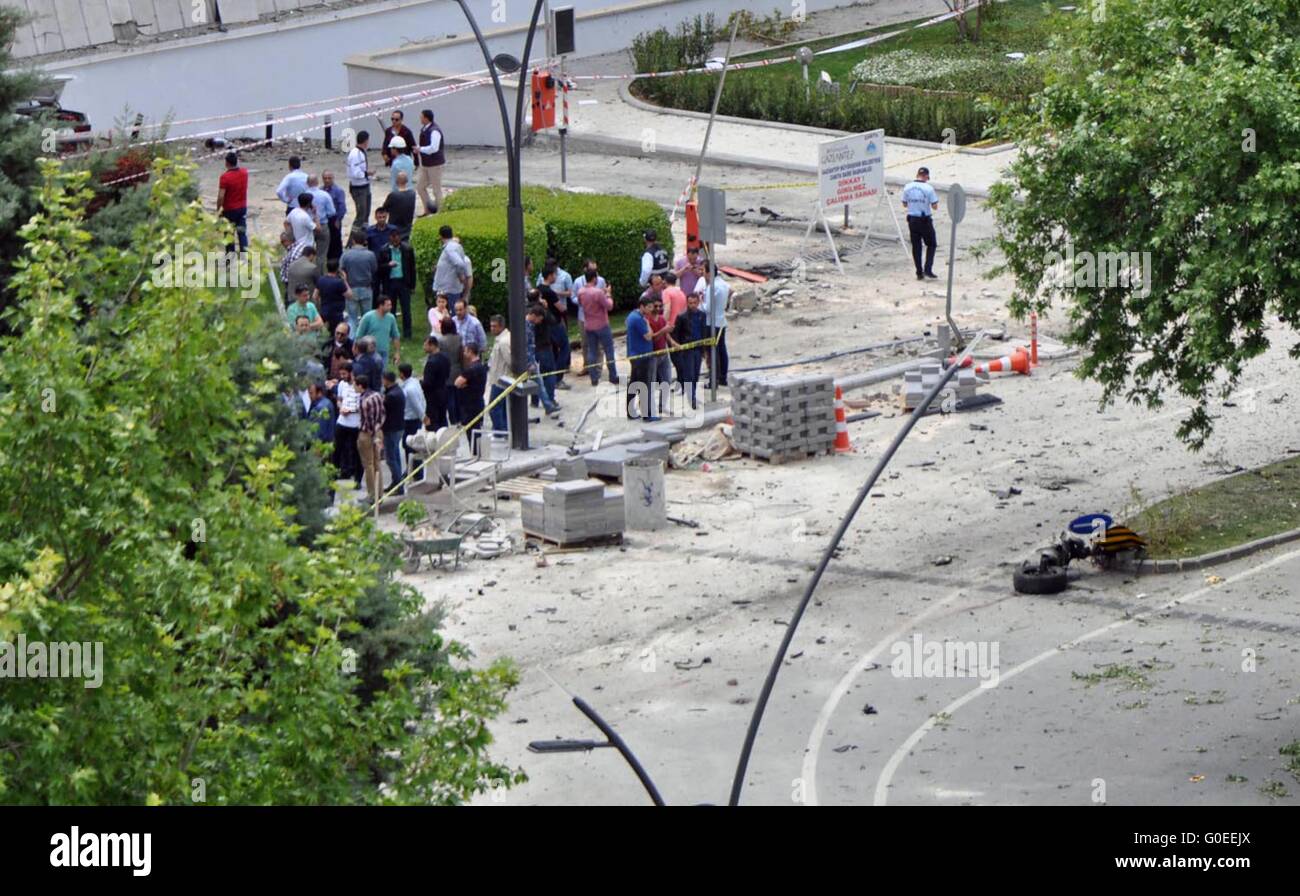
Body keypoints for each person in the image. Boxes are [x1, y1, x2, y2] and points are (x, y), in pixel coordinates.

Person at [577, 269, 617, 386]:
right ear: (594, 278)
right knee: (608, 349)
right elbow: (609, 306)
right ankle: (613, 375)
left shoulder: (581, 291)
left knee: (592, 351)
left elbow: (580, 303)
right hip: (602, 324)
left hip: (588, 324)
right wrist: (608, 294)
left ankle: (593, 378)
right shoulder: (598, 292)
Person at [901, 166, 940, 281]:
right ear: (926, 176)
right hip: (924, 220)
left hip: (912, 219)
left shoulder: (907, 187)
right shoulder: (928, 188)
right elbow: (935, 206)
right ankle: (928, 269)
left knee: (916, 246)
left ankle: (919, 272)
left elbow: (904, 204)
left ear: (917, 175)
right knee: (931, 244)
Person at [696, 266, 731, 388]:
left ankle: (713, 381)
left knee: (712, 353)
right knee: (722, 350)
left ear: (709, 272)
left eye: (704, 271)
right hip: (721, 321)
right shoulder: (724, 284)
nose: (703, 274)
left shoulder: (712, 287)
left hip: (711, 323)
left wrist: (700, 301)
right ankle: (722, 377)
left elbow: (707, 309)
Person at [537, 263, 570, 390]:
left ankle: (550, 377)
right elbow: (561, 308)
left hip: (545, 325)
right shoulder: (550, 292)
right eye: (554, 274)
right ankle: (558, 377)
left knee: (553, 350)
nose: (556, 276)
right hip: (555, 323)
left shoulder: (539, 289)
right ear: (550, 276)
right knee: (565, 348)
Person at [672, 293, 708, 409]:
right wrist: (679, 348)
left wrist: (704, 349)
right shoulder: (682, 317)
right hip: (687, 350)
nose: (692, 305)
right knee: (689, 374)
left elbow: (703, 332)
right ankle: (691, 398)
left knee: (696, 374)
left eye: (694, 303)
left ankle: (692, 395)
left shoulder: (702, 315)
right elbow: (676, 334)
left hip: (698, 349)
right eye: (690, 303)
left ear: (698, 303)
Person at [329, 361, 362, 488]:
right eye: (341, 374)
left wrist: (351, 411)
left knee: (355, 451)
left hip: (355, 423)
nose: (342, 376)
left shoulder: (357, 385)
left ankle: (357, 479)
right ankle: (334, 473)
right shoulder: (342, 384)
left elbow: (361, 405)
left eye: (344, 374)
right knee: (337, 449)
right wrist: (340, 407)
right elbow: (339, 399)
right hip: (342, 422)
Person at [380, 229, 417, 340]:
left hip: (403, 282)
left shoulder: (407, 249)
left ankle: (407, 334)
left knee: (406, 309)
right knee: (391, 310)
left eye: (397, 239)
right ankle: (391, 333)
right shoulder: (384, 250)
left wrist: (412, 285)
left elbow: (412, 268)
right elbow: (380, 267)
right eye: (393, 239)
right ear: (390, 239)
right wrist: (388, 265)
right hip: (390, 282)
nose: (395, 242)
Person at [624, 294, 657, 420]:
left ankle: (631, 411)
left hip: (636, 355)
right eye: (649, 307)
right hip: (641, 356)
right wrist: (648, 323)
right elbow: (649, 335)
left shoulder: (633, 316)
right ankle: (647, 415)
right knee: (643, 385)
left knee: (634, 383)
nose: (651, 310)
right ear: (642, 306)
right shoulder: (639, 319)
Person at [355, 374, 386, 501]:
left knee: (368, 464)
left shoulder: (364, 401)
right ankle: (380, 492)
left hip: (367, 433)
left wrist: (370, 433)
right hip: (379, 431)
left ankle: (371, 494)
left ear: (360, 386)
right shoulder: (377, 395)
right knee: (377, 462)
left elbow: (368, 421)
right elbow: (383, 413)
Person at [525, 303, 560, 417]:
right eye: (539, 319)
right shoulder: (526, 327)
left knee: (538, 382)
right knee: (540, 381)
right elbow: (526, 346)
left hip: (532, 356)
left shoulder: (528, 324)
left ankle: (547, 405)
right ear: (534, 315)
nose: (540, 322)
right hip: (529, 359)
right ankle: (548, 405)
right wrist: (530, 363)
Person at [455, 343, 488, 454]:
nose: (464, 353)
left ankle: (475, 453)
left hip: (469, 404)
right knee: (476, 430)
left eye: (465, 351)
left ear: (470, 352)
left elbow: (457, 383)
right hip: (478, 401)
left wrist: (464, 385)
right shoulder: (481, 367)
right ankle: (477, 452)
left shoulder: (470, 369)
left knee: (471, 431)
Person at [339, 231, 377, 326]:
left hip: (351, 288)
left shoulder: (346, 255)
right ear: (364, 241)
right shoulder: (370, 255)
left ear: (353, 241)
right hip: (366, 288)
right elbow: (374, 269)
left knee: (352, 318)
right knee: (367, 317)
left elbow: (340, 271)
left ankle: (352, 338)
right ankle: (367, 338)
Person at [645, 297, 675, 414]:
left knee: (667, 380)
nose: (658, 308)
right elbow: (653, 338)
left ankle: (663, 405)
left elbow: (665, 334)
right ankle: (649, 406)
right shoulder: (647, 320)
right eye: (655, 306)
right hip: (653, 355)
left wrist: (671, 342)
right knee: (651, 382)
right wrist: (664, 330)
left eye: (660, 306)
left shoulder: (662, 319)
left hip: (664, 352)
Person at [398, 363, 426, 482]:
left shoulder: (409, 389)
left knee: (411, 445)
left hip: (411, 420)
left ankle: (416, 472)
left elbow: (416, 405)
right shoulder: (414, 382)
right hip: (412, 419)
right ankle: (411, 468)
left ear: (402, 374)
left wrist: (423, 416)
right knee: (408, 445)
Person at [380, 372, 407, 496]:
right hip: (399, 427)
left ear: (386, 380)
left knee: (391, 458)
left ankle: (398, 485)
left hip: (391, 429)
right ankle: (396, 482)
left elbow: (383, 410)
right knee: (395, 456)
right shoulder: (398, 391)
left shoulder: (390, 395)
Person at [415, 108, 446, 215]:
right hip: (425, 164)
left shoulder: (434, 131)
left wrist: (420, 149)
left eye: (421, 116)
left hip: (435, 164)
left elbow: (434, 148)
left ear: (426, 118)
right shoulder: (424, 129)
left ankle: (440, 212)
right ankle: (428, 209)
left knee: (436, 189)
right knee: (420, 187)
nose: (420, 118)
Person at [432, 225, 473, 306]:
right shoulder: (455, 246)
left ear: (440, 236)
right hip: (450, 288)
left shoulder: (450, 248)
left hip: (448, 289)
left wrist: (460, 275)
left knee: (450, 314)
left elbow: (459, 263)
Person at [216, 151, 249, 252]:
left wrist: (219, 209)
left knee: (229, 235)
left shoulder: (225, 177)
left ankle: (230, 259)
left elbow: (221, 196)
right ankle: (245, 256)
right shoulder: (244, 173)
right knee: (242, 233)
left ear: (227, 163)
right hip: (242, 207)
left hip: (229, 209)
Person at [357, 297, 401, 368]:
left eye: (391, 305)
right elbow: (359, 335)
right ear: (381, 305)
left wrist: (397, 352)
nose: (390, 307)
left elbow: (395, 336)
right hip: (368, 352)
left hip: (384, 352)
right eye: (388, 305)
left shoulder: (391, 318)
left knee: (382, 375)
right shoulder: (368, 317)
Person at [485, 314, 512, 433]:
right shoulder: (502, 339)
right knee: (503, 407)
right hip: (498, 377)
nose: (492, 329)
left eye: (494, 326)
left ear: (501, 327)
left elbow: (510, 360)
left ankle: (500, 431)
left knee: (494, 408)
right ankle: (504, 429)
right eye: (491, 326)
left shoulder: (503, 342)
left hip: (501, 379)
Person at [305, 175, 335, 275]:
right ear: (318, 182)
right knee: (321, 255)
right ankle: (319, 275)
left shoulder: (303, 194)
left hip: (308, 226)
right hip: (322, 225)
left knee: (306, 252)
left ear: (307, 183)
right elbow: (332, 212)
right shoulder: (325, 195)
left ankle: (308, 274)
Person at [366, 209, 399, 297]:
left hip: (388, 262)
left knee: (388, 287)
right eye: (379, 217)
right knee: (375, 287)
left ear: (387, 217)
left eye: (384, 217)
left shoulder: (392, 229)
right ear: (375, 217)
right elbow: (368, 246)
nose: (382, 219)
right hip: (375, 262)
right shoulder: (370, 231)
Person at [346, 130, 374, 232]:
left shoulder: (361, 152)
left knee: (366, 214)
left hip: (365, 186)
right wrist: (367, 173)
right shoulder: (355, 154)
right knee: (361, 215)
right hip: (358, 189)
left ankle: (364, 236)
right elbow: (355, 173)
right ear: (366, 141)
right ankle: (351, 241)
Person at [438, 317, 463, 426]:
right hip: (458, 369)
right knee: (458, 397)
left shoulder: (441, 340)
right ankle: (460, 417)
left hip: (447, 371)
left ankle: (453, 420)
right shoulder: (459, 338)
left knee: (450, 398)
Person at [421, 335, 450, 431]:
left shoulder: (431, 362)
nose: (423, 347)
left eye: (425, 345)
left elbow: (428, 383)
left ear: (432, 345)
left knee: (433, 420)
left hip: (433, 396)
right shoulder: (445, 357)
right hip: (444, 391)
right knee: (443, 418)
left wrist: (421, 384)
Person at [314, 260, 350, 334]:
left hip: (324, 311)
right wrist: (345, 281)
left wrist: (321, 301)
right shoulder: (339, 282)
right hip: (337, 313)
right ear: (337, 269)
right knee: (337, 333)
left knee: (324, 333)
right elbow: (349, 295)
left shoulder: (321, 280)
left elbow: (315, 296)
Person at [381, 170, 417, 240]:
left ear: (396, 182)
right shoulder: (412, 194)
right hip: (408, 227)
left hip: (394, 227)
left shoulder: (393, 195)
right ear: (407, 181)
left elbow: (384, 209)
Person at [321, 170, 347, 262]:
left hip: (334, 219)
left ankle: (337, 262)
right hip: (323, 220)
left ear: (333, 178)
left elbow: (342, 207)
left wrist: (338, 220)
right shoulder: (320, 190)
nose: (327, 180)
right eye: (325, 178)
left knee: (335, 243)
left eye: (329, 178)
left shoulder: (338, 191)